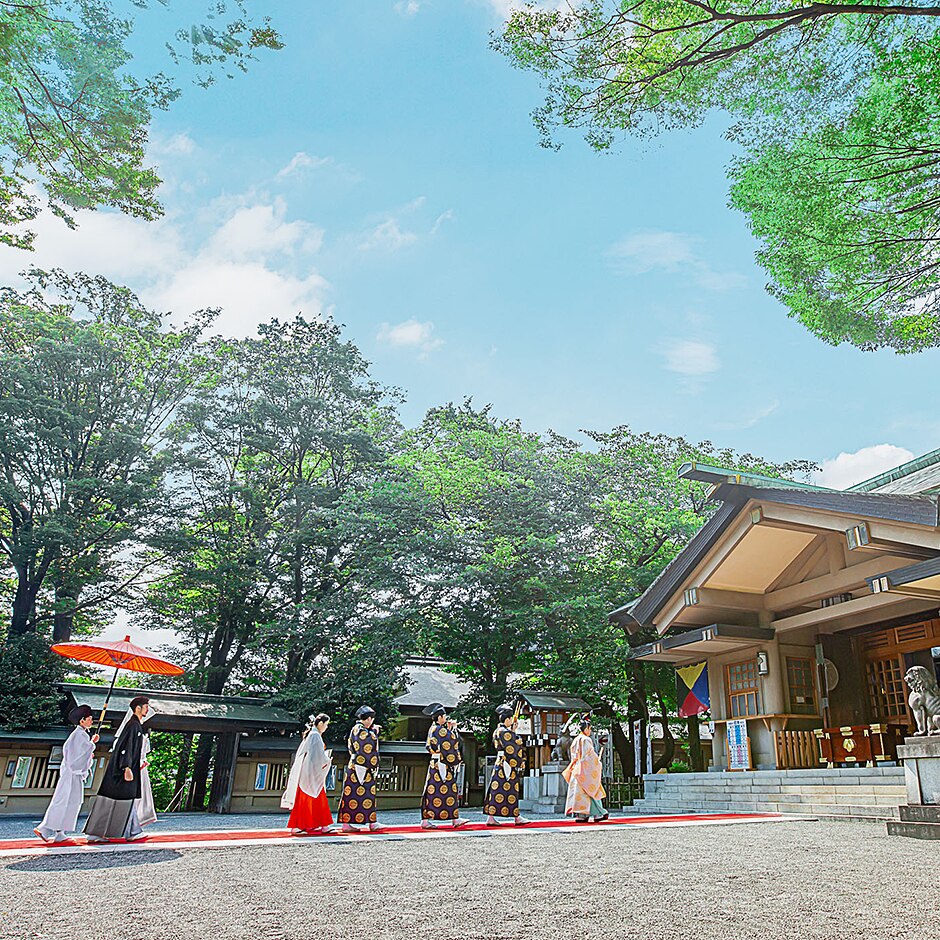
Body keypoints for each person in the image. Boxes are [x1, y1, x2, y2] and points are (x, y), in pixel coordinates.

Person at [84, 695, 150, 843]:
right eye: (146, 706)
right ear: (138, 708)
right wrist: (126, 767)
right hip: (122, 770)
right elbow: (125, 748)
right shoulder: (133, 725)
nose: (147, 709)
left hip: (125, 768)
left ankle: (131, 831)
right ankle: (130, 831)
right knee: (116, 800)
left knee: (123, 800)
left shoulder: (135, 725)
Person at [33, 705, 99, 843]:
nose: (91, 721)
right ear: (82, 721)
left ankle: (59, 832)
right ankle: (46, 828)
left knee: (71, 802)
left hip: (72, 775)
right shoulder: (78, 735)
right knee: (63, 801)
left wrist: (89, 747)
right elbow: (77, 757)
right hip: (71, 774)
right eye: (89, 719)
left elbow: (81, 754)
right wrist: (92, 744)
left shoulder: (81, 735)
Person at [282, 713, 334, 835]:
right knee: (308, 799)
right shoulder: (315, 736)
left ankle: (318, 824)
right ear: (320, 723)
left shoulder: (312, 734)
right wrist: (327, 759)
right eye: (326, 724)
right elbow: (317, 756)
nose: (326, 727)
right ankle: (298, 826)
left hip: (309, 772)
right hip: (311, 773)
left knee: (315, 799)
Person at [337, 706, 385, 832]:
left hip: (357, 765)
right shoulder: (361, 730)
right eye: (371, 719)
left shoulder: (357, 729)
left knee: (353, 794)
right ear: (368, 718)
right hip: (361, 766)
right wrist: (375, 732)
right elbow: (367, 746)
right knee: (365, 794)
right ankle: (369, 823)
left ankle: (351, 823)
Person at [420, 703, 468, 830]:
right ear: (440, 717)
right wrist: (453, 729)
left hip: (436, 762)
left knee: (433, 791)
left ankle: (432, 819)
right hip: (441, 763)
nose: (446, 718)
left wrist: (449, 730)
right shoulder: (440, 730)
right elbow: (451, 741)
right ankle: (454, 819)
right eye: (444, 716)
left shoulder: (433, 728)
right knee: (449, 790)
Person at [483, 703, 529, 826]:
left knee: (497, 789)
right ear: (508, 719)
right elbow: (514, 745)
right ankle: (516, 817)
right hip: (507, 763)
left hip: (501, 762)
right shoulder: (505, 732)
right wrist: (516, 734)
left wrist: (513, 731)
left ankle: (492, 817)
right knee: (510, 789)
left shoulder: (498, 731)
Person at [563, 715, 609, 823]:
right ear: (586, 728)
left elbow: (574, 756)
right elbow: (589, 756)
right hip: (585, 769)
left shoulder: (575, 740)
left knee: (579, 793)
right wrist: (597, 763)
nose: (590, 731)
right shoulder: (586, 740)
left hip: (576, 769)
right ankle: (598, 813)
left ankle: (581, 815)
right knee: (592, 789)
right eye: (590, 728)